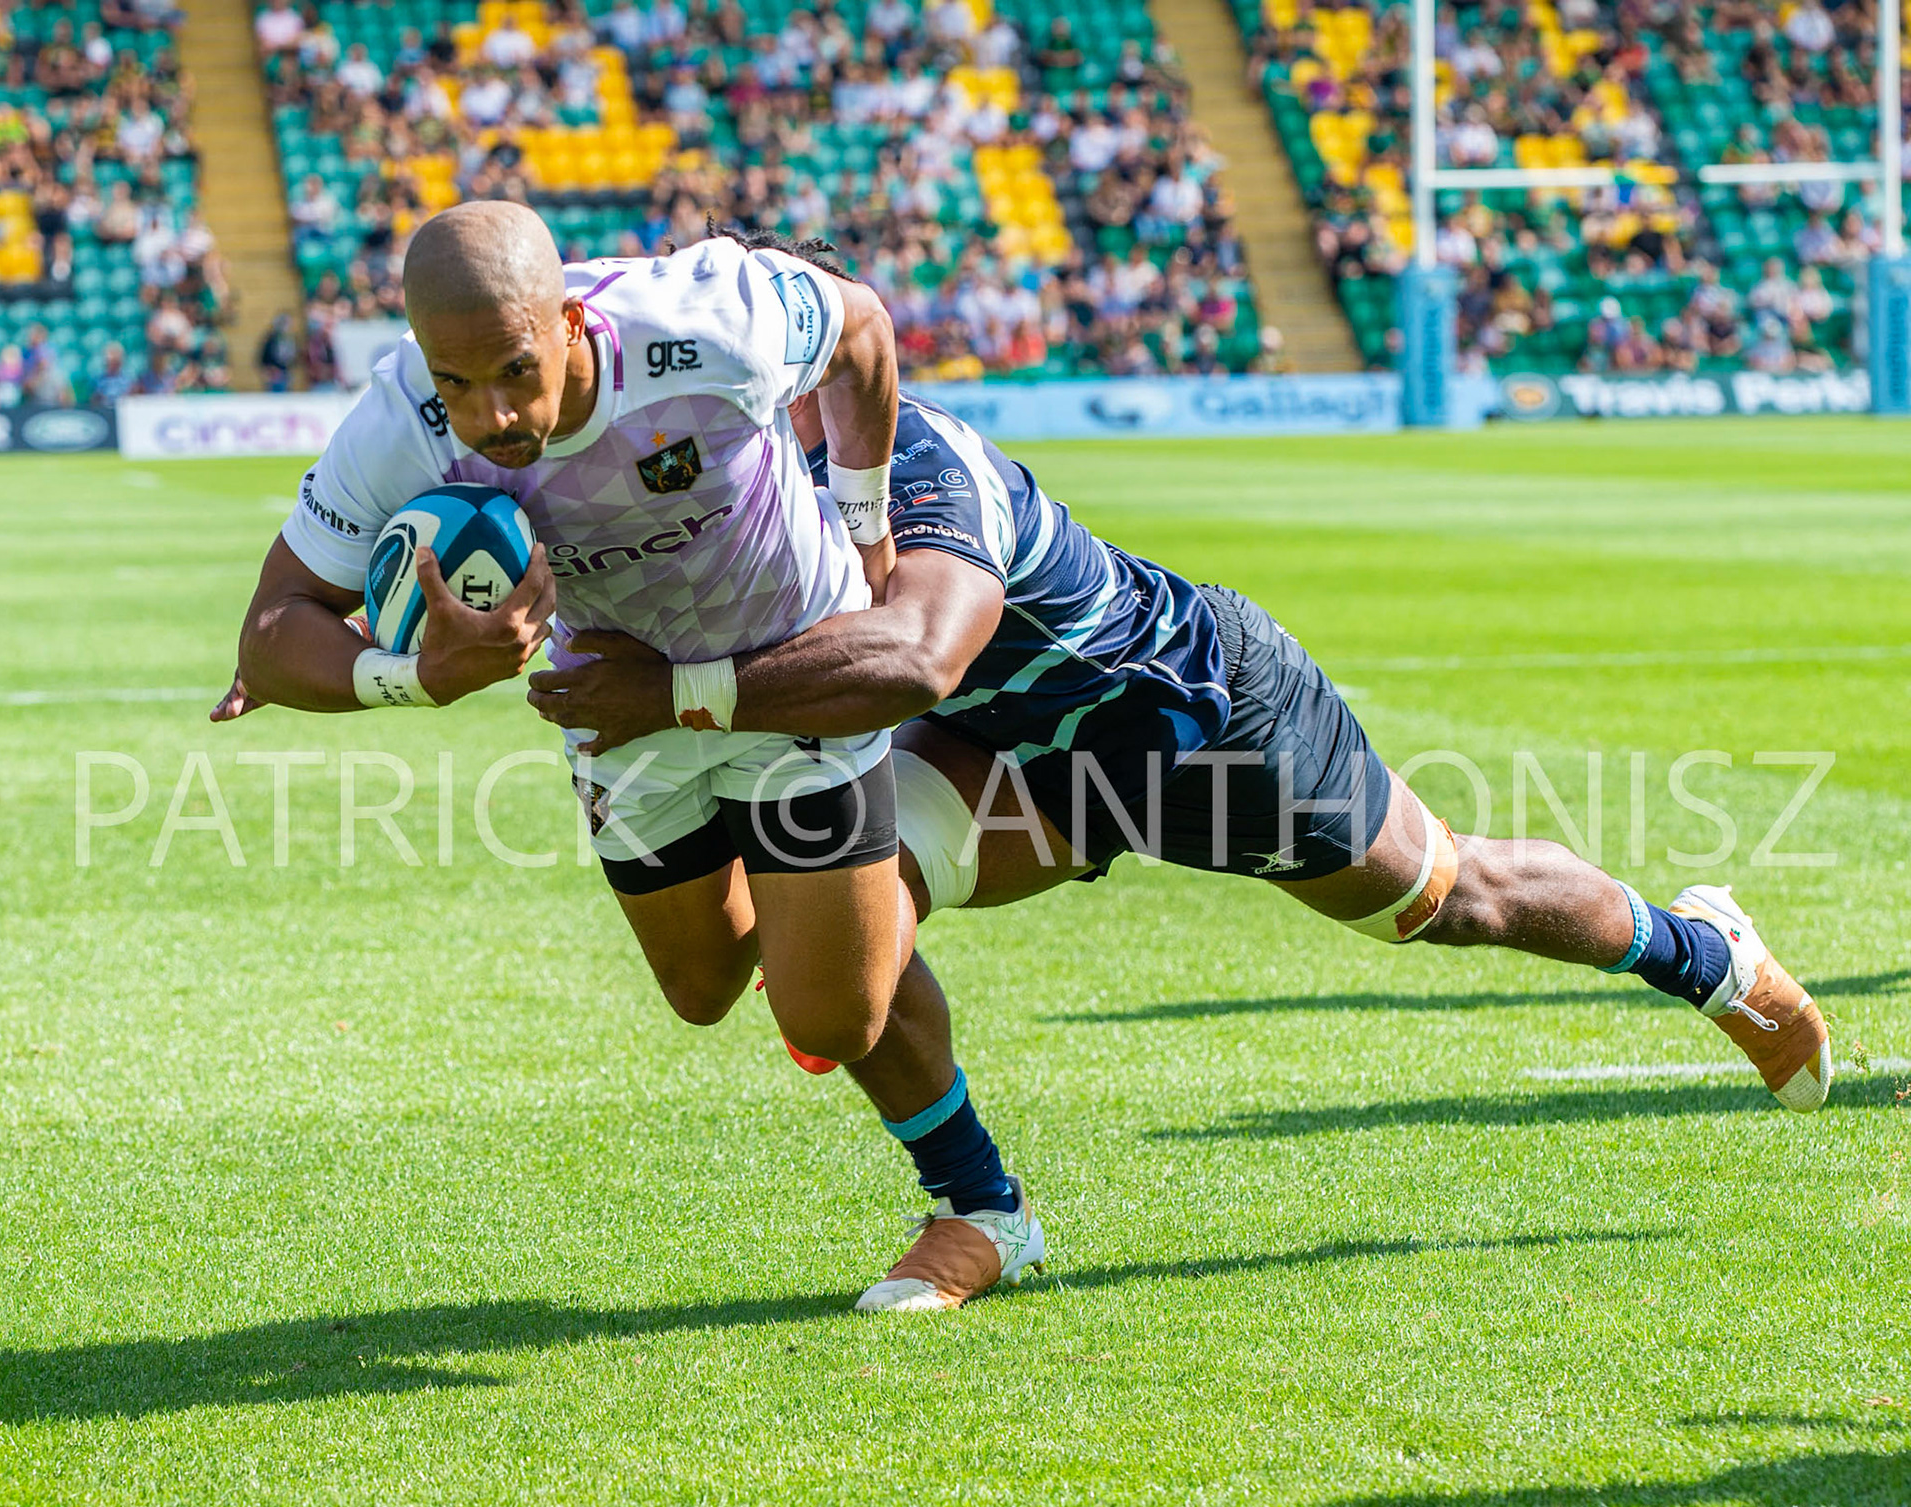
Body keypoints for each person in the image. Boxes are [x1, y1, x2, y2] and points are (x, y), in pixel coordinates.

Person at [525, 239, 1833, 1314]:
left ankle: (1699, 953)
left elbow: (915, 654)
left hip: (1185, 722)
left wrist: (679, 697)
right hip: (1004, 756)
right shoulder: (731, 487)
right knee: (851, 913)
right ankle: (981, 1210)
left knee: (1446, 897)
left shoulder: (922, 465)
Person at [223, 201, 925, 1104]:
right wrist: (416, 679)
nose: (494, 414)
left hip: (789, 668)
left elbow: (859, 322)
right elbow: (272, 629)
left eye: (518, 369)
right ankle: (807, 894)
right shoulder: (400, 421)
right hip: (614, 700)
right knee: (701, 993)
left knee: (832, 1021)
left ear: (571, 321)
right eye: (457, 384)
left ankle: (841, 899)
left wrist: (865, 521)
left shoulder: (711, 319)